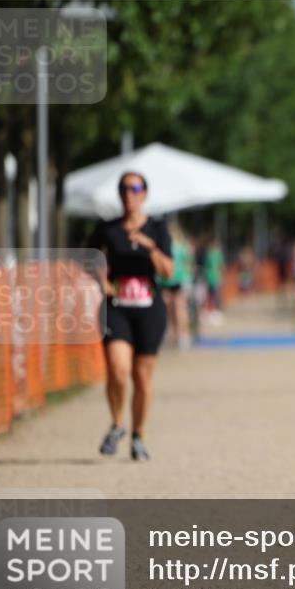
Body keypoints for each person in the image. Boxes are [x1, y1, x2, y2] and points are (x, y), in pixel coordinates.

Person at [88, 172, 174, 460]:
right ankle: (117, 425)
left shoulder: (158, 228)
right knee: (117, 369)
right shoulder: (108, 229)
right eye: (124, 188)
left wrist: (150, 246)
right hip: (117, 307)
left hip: (150, 308)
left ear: (145, 193)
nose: (130, 193)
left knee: (142, 377)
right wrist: (101, 281)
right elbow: (87, 258)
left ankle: (139, 434)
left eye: (135, 188)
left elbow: (168, 271)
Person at [158, 220, 193, 350]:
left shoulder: (168, 246)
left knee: (173, 309)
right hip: (174, 281)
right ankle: (180, 335)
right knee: (178, 309)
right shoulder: (183, 246)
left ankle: (179, 334)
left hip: (172, 281)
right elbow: (189, 264)